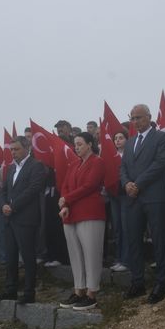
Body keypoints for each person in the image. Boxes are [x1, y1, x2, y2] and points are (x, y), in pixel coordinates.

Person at [120, 104, 165, 304]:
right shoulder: (131, 141)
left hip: (155, 196)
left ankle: (161, 283)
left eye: (139, 117)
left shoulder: (161, 138)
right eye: (132, 118)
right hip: (133, 199)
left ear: (149, 117)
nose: (135, 122)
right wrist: (126, 184)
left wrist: (138, 184)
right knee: (134, 240)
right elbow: (123, 167)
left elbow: (159, 164)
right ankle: (138, 281)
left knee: (159, 240)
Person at [0, 136, 46, 304]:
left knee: (28, 256)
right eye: (11, 150)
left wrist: (13, 206)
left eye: (16, 149)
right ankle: (11, 290)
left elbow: (33, 189)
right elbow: (2, 190)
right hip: (9, 219)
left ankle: (29, 292)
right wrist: (3, 206)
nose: (13, 153)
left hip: (26, 218)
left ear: (27, 148)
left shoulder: (36, 166)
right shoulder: (10, 168)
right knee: (10, 256)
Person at [58, 132, 106, 310]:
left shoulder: (97, 162)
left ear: (90, 144)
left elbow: (90, 185)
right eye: (75, 144)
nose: (76, 147)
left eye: (80, 144)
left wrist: (67, 199)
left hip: (90, 212)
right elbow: (65, 185)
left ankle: (91, 293)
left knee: (91, 254)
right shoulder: (73, 165)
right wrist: (64, 202)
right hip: (70, 214)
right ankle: (79, 290)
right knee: (75, 255)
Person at [109, 131, 129, 272]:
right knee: (117, 227)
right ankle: (119, 258)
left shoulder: (129, 155)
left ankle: (126, 259)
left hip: (126, 195)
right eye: (115, 138)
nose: (118, 140)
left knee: (125, 227)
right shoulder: (110, 156)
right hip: (113, 194)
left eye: (121, 138)